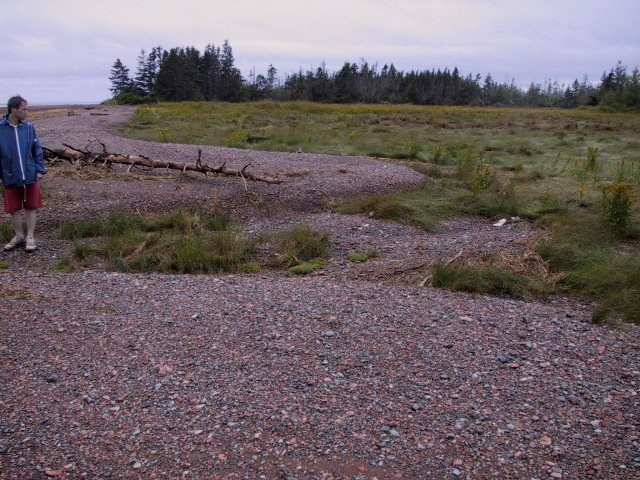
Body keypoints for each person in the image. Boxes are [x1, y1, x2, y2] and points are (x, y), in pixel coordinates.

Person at [0, 95, 45, 252]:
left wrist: (39, 169)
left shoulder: (28, 128)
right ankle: (19, 235)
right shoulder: (1, 129)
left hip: (30, 174)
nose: (27, 111)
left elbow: (37, 149)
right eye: (24, 108)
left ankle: (30, 237)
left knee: (31, 206)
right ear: (14, 109)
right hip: (10, 175)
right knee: (13, 208)